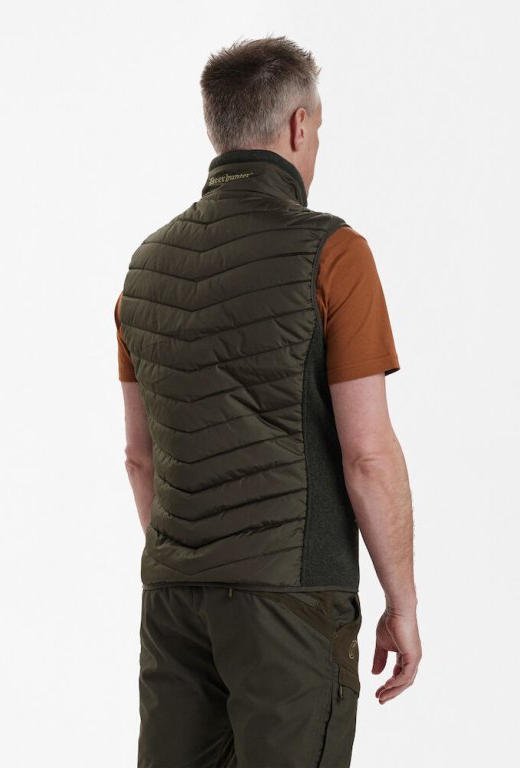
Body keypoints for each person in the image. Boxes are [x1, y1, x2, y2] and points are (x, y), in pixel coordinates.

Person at [114, 34, 421, 768]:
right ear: (298, 125)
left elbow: (139, 459)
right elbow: (368, 457)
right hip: (290, 604)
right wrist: (402, 604)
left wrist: (197, 559)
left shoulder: (144, 269)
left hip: (175, 605)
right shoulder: (334, 254)